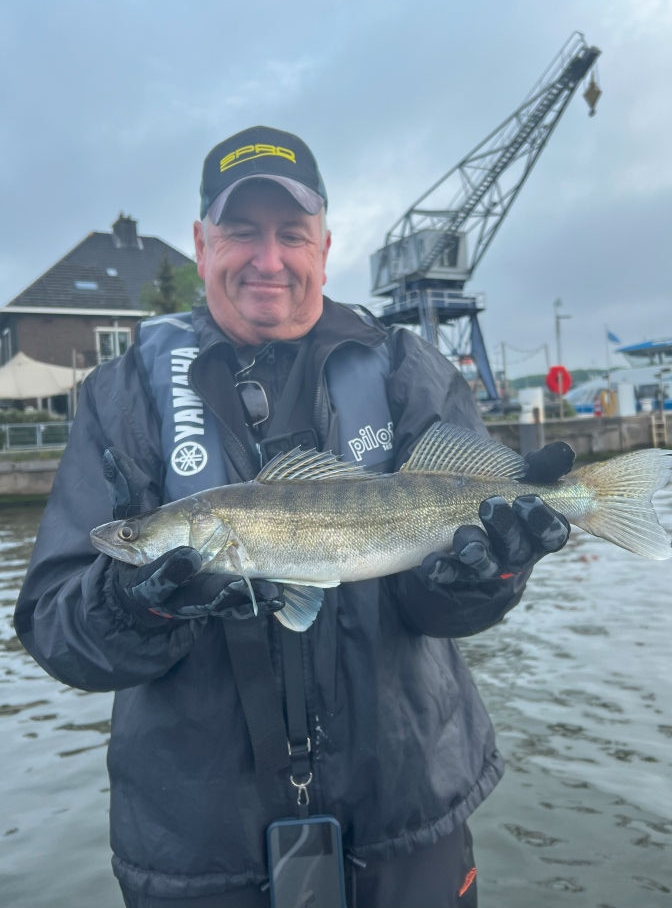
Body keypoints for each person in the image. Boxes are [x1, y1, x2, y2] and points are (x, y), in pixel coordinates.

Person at [14, 126, 573, 908]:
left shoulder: (407, 372)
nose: (267, 259)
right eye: (241, 232)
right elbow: (54, 626)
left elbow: (435, 604)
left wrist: (492, 575)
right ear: (202, 243)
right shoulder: (123, 400)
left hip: (407, 827)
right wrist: (131, 602)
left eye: (292, 234)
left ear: (326, 244)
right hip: (199, 852)